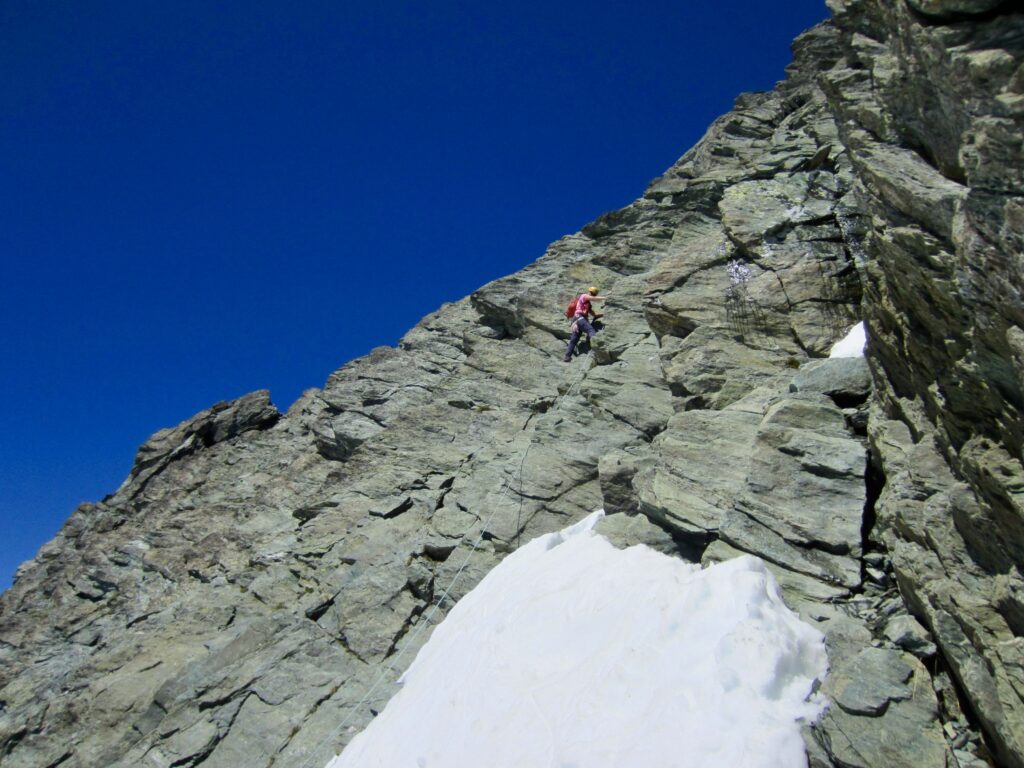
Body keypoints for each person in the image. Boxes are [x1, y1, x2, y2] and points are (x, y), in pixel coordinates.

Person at [563, 286, 607, 362]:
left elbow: (594, 315)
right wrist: (605, 298)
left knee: (574, 339)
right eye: (592, 294)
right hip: (579, 318)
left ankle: (567, 356)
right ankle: (595, 346)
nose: (592, 295)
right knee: (591, 330)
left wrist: (604, 314)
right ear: (590, 292)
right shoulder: (583, 296)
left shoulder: (587, 304)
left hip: (575, 320)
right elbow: (593, 298)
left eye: (593, 294)